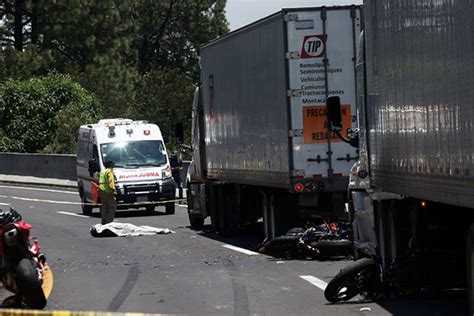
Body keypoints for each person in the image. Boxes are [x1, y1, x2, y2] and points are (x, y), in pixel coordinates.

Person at [98, 160, 117, 225]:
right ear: (111, 165)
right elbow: (111, 182)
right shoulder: (109, 171)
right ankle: (109, 222)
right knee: (112, 206)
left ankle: (104, 221)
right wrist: (114, 190)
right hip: (107, 191)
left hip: (101, 190)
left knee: (104, 206)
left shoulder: (102, 171)